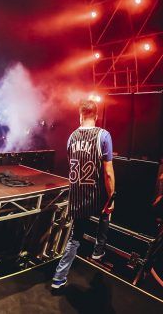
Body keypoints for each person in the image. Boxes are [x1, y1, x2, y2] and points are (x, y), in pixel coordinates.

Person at [52, 99, 116, 289]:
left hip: (78, 196)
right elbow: (108, 173)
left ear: (80, 115)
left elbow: (73, 164)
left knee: (75, 238)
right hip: (96, 196)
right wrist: (111, 197)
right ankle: (98, 250)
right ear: (97, 116)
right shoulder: (103, 136)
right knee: (107, 211)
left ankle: (58, 278)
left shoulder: (71, 137)